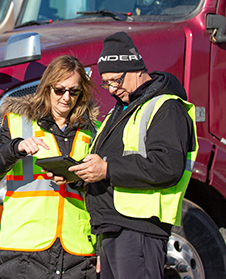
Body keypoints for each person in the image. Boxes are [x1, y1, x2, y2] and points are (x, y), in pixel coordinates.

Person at [66, 31, 198, 279]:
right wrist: (79, 174)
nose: (112, 89)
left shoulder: (166, 107)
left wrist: (106, 169)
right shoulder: (120, 112)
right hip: (112, 227)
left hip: (138, 230)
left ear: (137, 69)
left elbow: (166, 166)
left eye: (116, 80)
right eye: (107, 83)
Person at [0, 55, 99, 278]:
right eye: (59, 90)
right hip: (25, 248)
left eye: (74, 91)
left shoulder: (93, 131)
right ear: (47, 87)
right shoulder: (18, 122)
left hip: (76, 250)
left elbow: (103, 193)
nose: (66, 98)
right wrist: (16, 148)